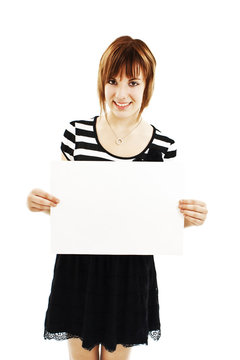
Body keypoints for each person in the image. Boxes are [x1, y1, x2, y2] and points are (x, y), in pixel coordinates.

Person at [26, 35, 208, 360]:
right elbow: (72, 211)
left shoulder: (163, 147)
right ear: (102, 81)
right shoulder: (76, 134)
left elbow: (156, 221)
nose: (121, 93)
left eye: (133, 82)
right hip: (78, 264)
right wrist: (41, 205)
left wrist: (187, 220)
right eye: (113, 81)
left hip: (130, 270)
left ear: (147, 86)